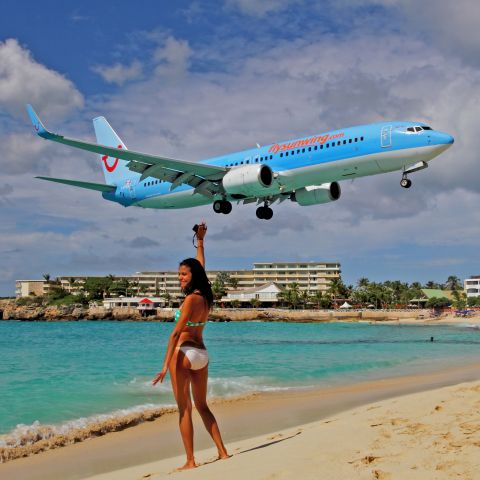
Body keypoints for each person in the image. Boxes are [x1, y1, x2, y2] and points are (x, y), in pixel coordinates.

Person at [152, 222, 229, 470]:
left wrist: (164, 366)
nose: (180, 277)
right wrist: (201, 241)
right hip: (202, 355)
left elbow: (175, 335)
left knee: (184, 409)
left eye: (183, 274)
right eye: (179, 274)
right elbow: (201, 266)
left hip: (183, 354)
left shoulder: (189, 301)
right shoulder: (205, 297)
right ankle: (222, 452)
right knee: (203, 405)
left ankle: (190, 461)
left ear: (192, 276)